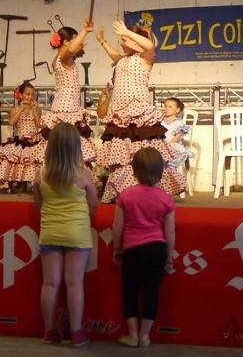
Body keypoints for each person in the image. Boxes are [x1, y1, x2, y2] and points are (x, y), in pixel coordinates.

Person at [95, 20, 185, 203]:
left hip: (139, 116)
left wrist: (127, 32)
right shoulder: (123, 61)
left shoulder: (144, 59)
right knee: (123, 158)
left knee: (143, 156)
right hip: (122, 116)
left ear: (136, 41)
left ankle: (148, 192)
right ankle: (125, 192)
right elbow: (115, 55)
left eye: (124, 40)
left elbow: (149, 45)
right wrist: (102, 41)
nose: (122, 43)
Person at [32, 122, 99, 347]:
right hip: (78, 233)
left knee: (50, 284)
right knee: (74, 284)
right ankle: (77, 333)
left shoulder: (40, 175)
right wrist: (85, 223)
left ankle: (50, 331)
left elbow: (39, 205)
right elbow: (93, 205)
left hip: (50, 232)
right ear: (76, 147)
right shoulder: (84, 175)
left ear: (51, 147)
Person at [111, 147, 176, 348]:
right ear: (160, 171)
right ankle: (145, 336)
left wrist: (116, 249)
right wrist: (169, 255)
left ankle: (132, 334)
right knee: (151, 292)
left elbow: (117, 225)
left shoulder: (126, 195)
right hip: (157, 249)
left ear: (134, 170)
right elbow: (170, 232)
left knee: (129, 291)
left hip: (132, 249)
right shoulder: (166, 199)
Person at [32, 20, 98, 185]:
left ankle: (65, 180)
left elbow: (70, 51)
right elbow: (69, 51)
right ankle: (71, 181)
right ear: (67, 42)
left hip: (66, 106)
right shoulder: (64, 58)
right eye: (75, 39)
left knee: (65, 145)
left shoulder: (60, 58)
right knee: (70, 144)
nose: (79, 42)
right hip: (66, 108)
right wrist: (85, 31)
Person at [0, 81, 42, 193]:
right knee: (13, 156)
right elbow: (12, 122)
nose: (30, 97)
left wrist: (34, 111)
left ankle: (33, 183)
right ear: (20, 95)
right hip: (20, 140)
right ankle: (14, 181)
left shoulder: (36, 109)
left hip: (34, 141)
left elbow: (39, 126)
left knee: (35, 157)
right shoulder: (15, 109)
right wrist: (20, 110)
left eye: (32, 94)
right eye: (27, 94)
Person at [161, 97, 195, 170]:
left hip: (173, 145)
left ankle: (171, 171)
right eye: (166, 106)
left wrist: (168, 145)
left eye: (170, 107)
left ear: (177, 110)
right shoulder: (161, 122)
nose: (167, 109)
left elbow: (177, 137)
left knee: (171, 153)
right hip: (162, 145)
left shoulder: (178, 122)